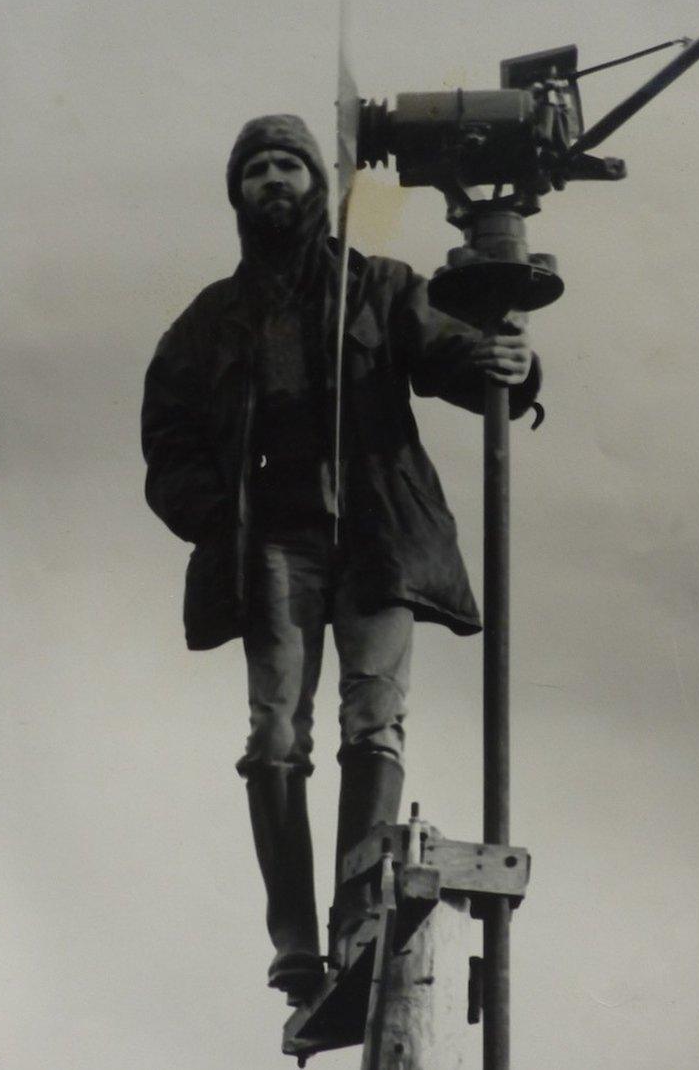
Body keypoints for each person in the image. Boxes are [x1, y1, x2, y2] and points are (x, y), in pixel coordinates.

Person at [141, 114, 540, 1005]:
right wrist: (220, 521)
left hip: (373, 537)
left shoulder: (378, 287)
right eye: (256, 169)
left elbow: (452, 355)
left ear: (316, 184)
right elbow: (166, 443)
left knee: (376, 721)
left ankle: (358, 912)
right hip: (273, 547)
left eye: (288, 164)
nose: (273, 180)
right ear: (238, 194)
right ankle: (293, 940)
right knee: (275, 733)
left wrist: (507, 361)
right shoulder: (206, 324)